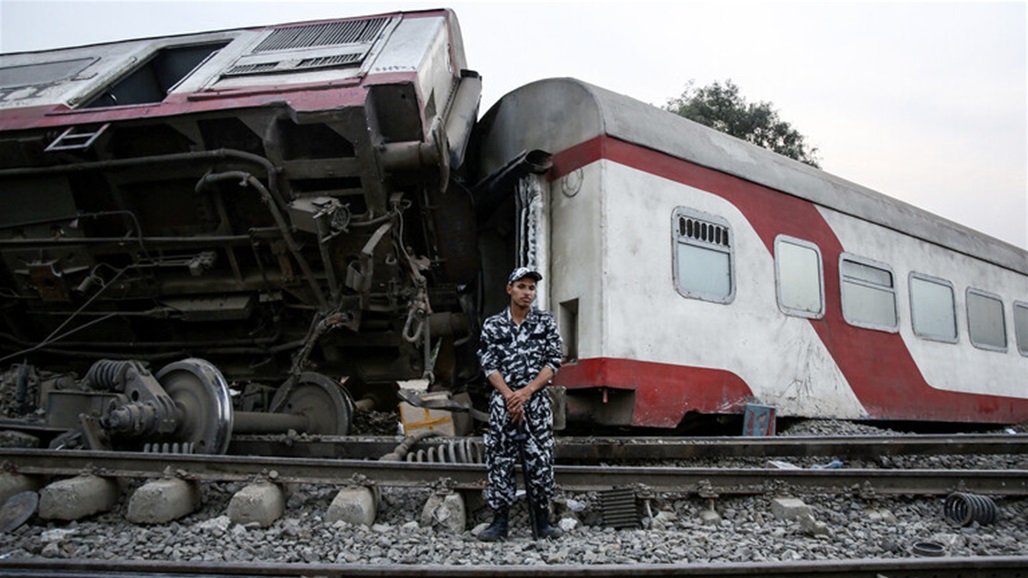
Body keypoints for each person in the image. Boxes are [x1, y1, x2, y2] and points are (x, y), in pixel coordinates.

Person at [476, 266, 564, 541]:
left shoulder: (545, 322)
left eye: (531, 288)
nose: (527, 293)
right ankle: (499, 524)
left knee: (540, 460)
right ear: (509, 289)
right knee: (499, 460)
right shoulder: (493, 324)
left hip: (535, 404)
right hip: (504, 404)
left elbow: (553, 362)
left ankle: (542, 522)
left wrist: (525, 393)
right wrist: (509, 396)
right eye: (522, 286)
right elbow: (488, 364)